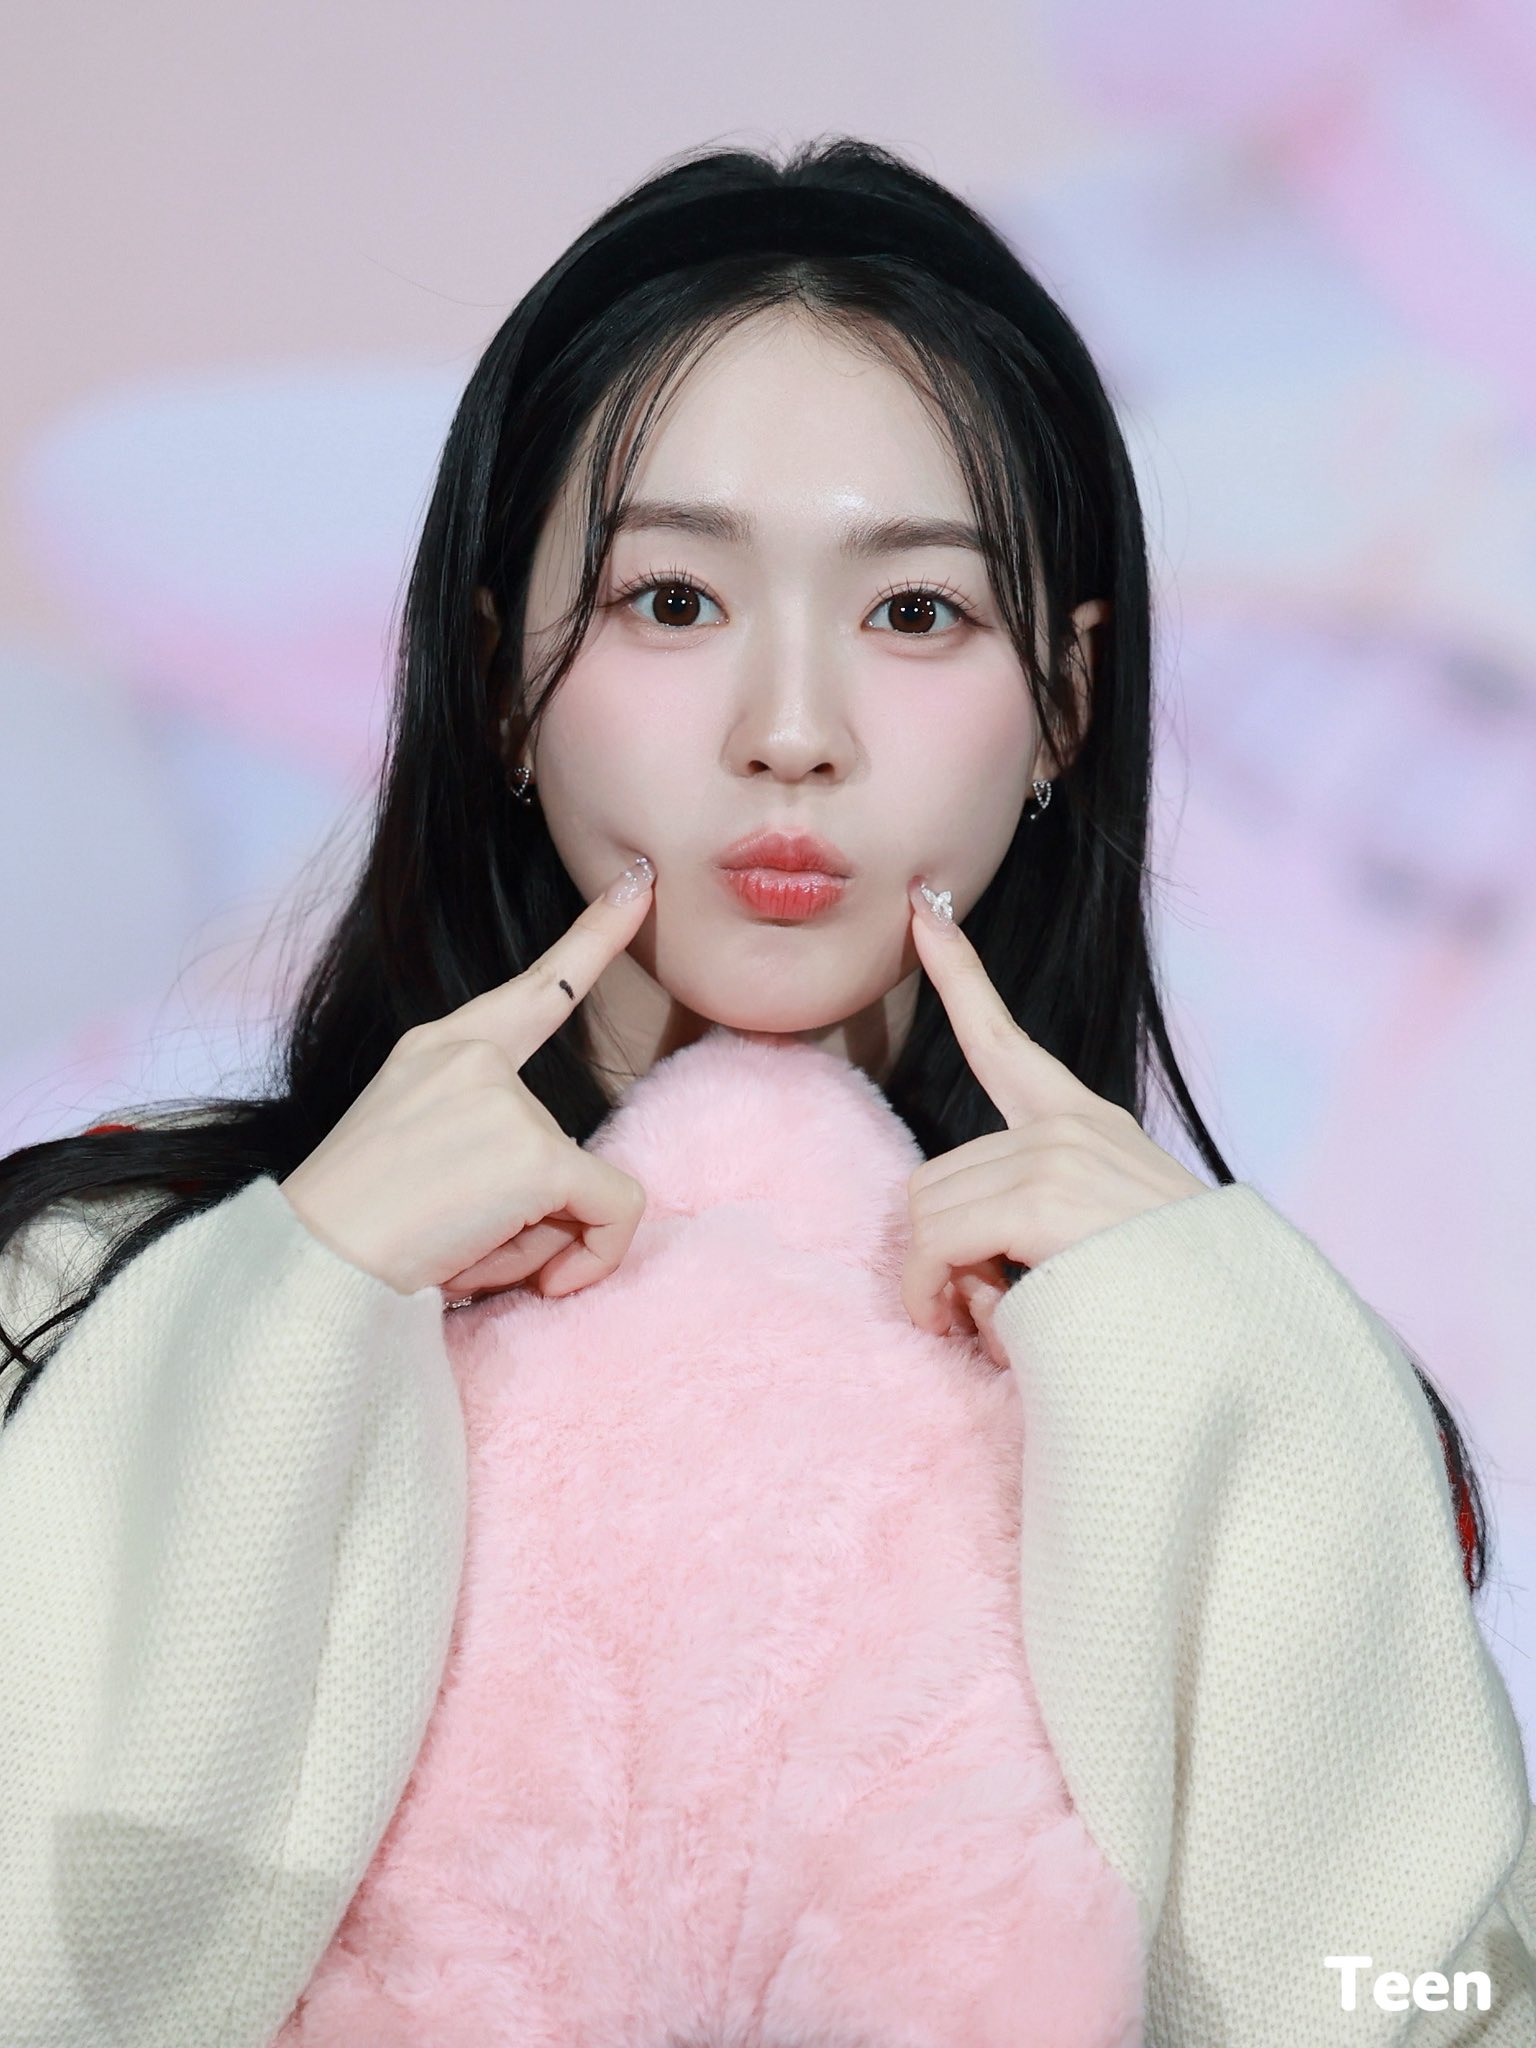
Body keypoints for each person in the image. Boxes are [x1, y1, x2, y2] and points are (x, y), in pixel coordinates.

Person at [1, 136, 1531, 2048]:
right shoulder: (85, 1284)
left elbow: (1423, 2011)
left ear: (1065, 702)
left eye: (917, 612)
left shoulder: (1237, 1355)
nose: (789, 732)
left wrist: (1251, 1396)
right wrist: (286, 1311)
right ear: (495, 674)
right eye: (669, 600)